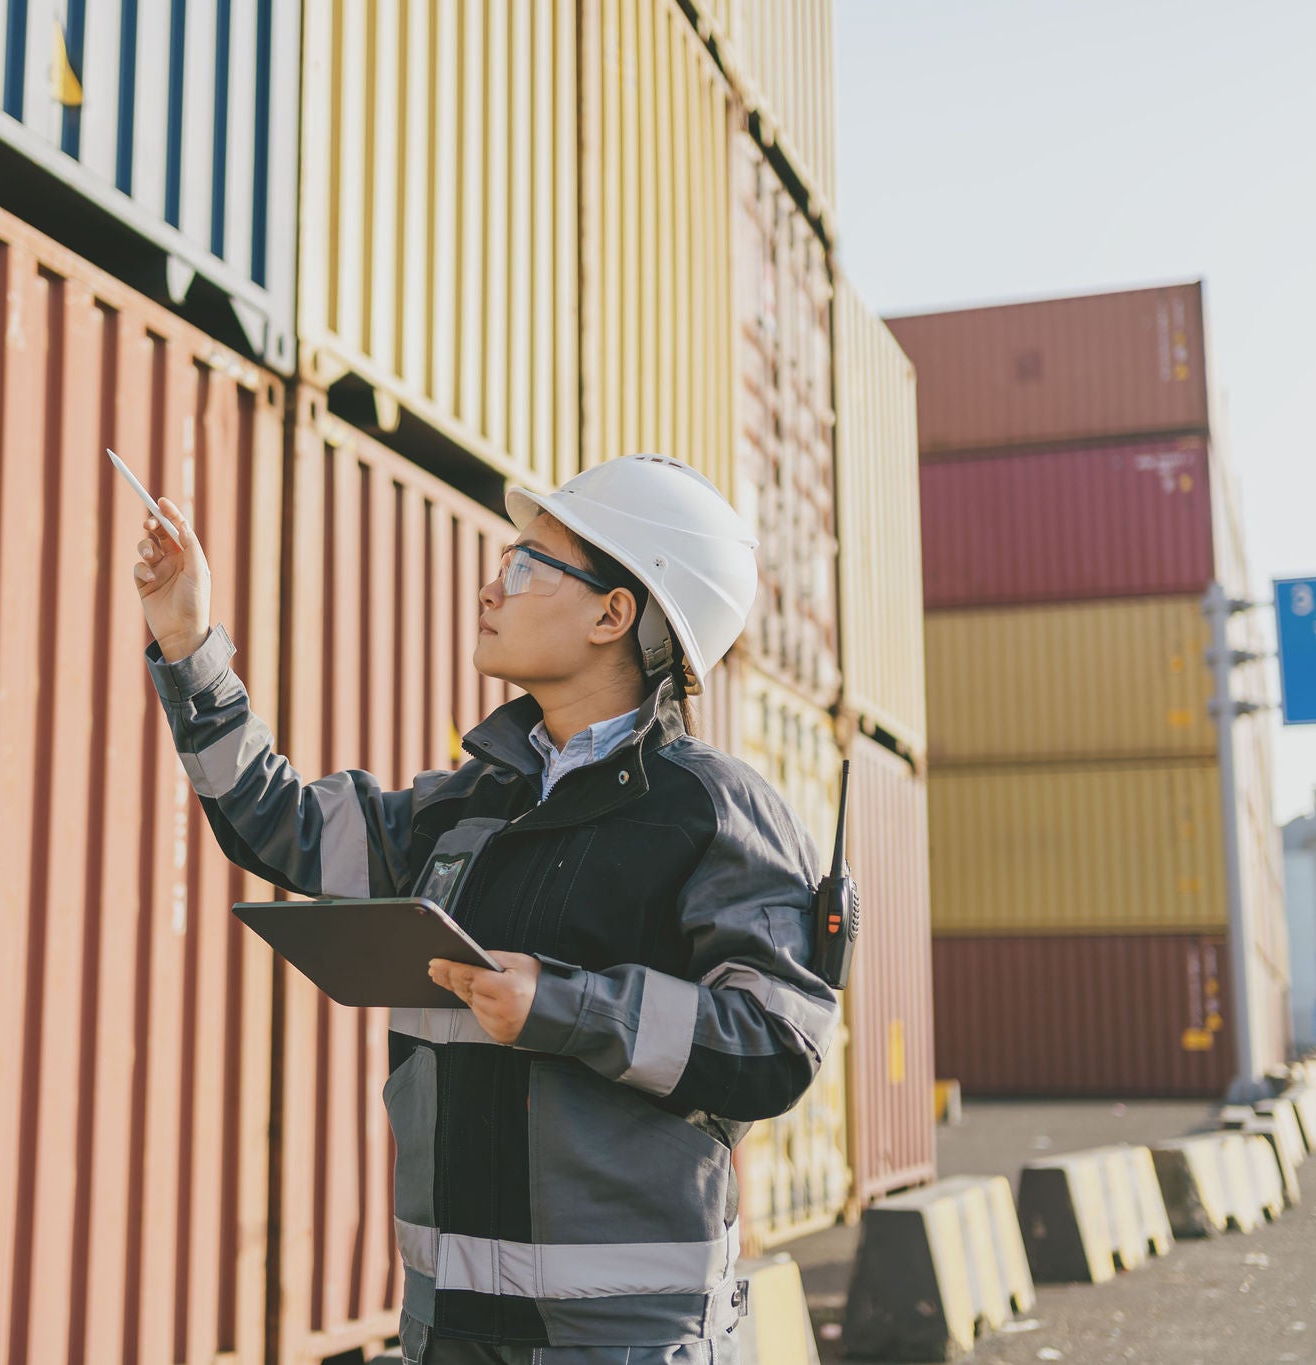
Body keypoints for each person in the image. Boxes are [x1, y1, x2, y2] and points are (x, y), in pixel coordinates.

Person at [134, 453, 842, 1364]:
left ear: (612, 613)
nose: (487, 587)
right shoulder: (470, 804)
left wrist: (565, 1005)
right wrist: (192, 647)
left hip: (623, 1337)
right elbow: (284, 826)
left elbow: (773, 1043)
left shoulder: (713, 811)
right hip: (450, 1322)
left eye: (522, 564)